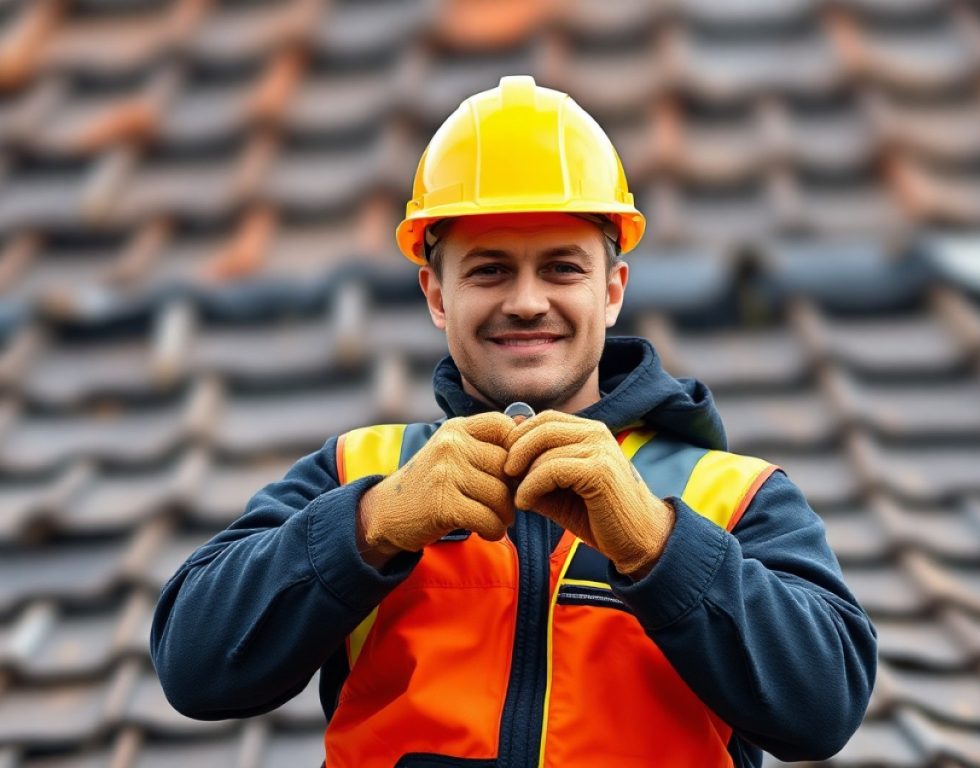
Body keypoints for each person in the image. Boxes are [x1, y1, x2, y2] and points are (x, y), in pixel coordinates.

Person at [151, 76, 877, 768]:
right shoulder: (358, 472)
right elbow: (193, 663)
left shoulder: (734, 496)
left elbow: (825, 707)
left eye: (562, 268)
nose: (527, 301)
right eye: (489, 270)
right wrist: (374, 523)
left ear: (613, 289)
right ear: (437, 294)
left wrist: (657, 545)